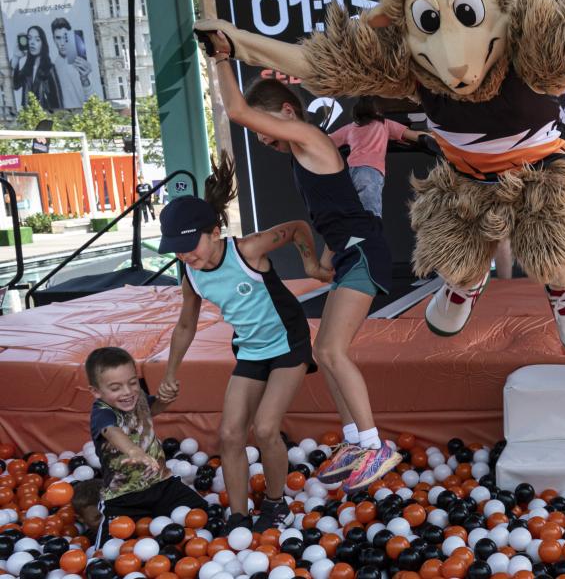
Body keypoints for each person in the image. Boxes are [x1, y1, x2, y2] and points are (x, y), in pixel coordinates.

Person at [204, 31, 402, 493]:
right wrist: (322, 262)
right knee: (323, 352)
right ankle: (354, 439)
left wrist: (220, 58)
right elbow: (337, 215)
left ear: (287, 114)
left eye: (264, 129)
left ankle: (374, 446)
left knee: (332, 351)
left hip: (366, 252)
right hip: (351, 251)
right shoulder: (302, 155)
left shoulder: (310, 136)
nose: (262, 140)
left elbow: (237, 111)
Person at [158, 154, 331, 532]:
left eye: (191, 245)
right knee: (230, 434)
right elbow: (186, 325)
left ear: (215, 231)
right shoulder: (190, 272)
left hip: (289, 344)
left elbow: (299, 227)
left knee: (267, 428)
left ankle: (275, 504)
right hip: (251, 350)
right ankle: (238, 517)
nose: (186, 255)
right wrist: (170, 373)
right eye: (177, 248)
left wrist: (311, 265)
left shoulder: (248, 250)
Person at [86, 346, 207, 543]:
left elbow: (152, 409)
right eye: (115, 388)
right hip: (123, 498)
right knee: (110, 551)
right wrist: (133, 450)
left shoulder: (138, 397)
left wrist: (166, 400)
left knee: (206, 517)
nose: (127, 392)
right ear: (96, 391)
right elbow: (111, 430)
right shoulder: (102, 413)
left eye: (132, 383)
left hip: (162, 485)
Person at [328, 96, 426, 218]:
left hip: (351, 173)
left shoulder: (351, 127)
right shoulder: (384, 124)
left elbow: (327, 141)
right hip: (370, 171)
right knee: (371, 215)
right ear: (376, 111)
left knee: (353, 216)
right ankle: (369, 236)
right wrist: (434, 137)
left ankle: (357, 236)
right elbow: (415, 135)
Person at [17, 26, 62, 109]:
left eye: (37, 39)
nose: (32, 43)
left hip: (45, 117)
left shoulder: (49, 68)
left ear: (43, 43)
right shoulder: (26, 69)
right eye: (29, 39)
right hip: (28, 117)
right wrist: (16, 58)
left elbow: (57, 100)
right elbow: (15, 85)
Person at [51, 17, 90, 109]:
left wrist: (85, 80)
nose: (62, 43)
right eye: (58, 38)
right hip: (63, 116)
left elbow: (93, 96)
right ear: (54, 39)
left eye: (65, 37)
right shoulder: (52, 68)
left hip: (86, 113)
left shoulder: (82, 61)